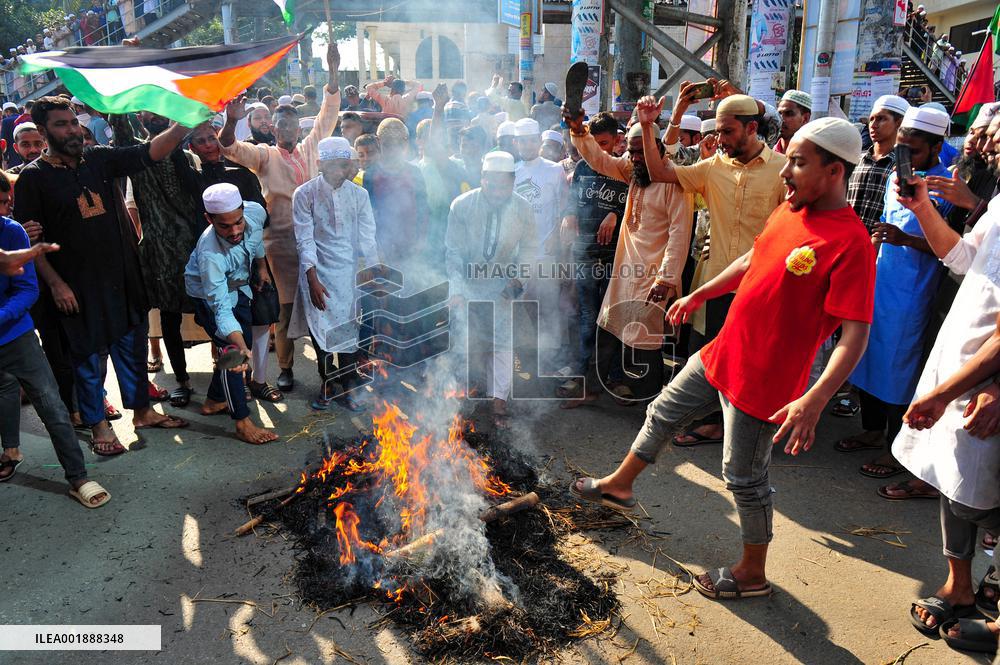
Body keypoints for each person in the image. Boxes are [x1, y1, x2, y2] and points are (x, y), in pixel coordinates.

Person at [571, 116, 876, 602]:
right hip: (722, 351)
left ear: (835, 171)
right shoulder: (791, 210)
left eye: (797, 163)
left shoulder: (851, 242)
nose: (785, 173)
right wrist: (699, 294)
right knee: (663, 411)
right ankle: (620, 485)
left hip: (765, 383)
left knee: (743, 476)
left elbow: (855, 334)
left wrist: (815, 400)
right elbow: (751, 260)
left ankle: (752, 572)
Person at [13, 96, 189, 456]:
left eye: (74, 123)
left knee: (132, 348)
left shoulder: (98, 160)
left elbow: (148, 153)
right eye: (62, 125)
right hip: (75, 286)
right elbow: (34, 242)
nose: (72, 130)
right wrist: (56, 284)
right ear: (45, 131)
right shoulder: (34, 179)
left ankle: (142, 412)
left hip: (122, 276)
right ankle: (99, 425)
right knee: (88, 358)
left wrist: (184, 124)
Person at [637, 86, 787, 448]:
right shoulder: (712, 168)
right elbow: (658, 171)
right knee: (710, 356)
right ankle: (711, 423)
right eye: (717, 131)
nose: (719, 138)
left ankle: (746, 431)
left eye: (727, 131)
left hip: (764, 286)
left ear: (752, 129)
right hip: (718, 283)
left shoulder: (783, 170)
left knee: (755, 361)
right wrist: (647, 127)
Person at [892, 171, 1000, 653]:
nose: (991, 141)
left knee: (983, 499)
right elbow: (963, 258)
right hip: (964, 365)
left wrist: (993, 385)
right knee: (951, 475)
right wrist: (922, 210)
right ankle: (959, 583)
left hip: (986, 380)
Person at [220, 41, 342, 394]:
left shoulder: (312, 147)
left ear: (299, 130)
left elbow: (328, 113)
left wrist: (333, 71)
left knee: (322, 305)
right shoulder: (264, 155)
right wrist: (231, 120)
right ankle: (286, 368)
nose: (287, 130)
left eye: (292, 125)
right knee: (286, 310)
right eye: (281, 125)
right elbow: (230, 147)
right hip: (283, 246)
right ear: (272, 129)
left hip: (318, 243)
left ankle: (325, 366)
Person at [847, 106, 954, 479]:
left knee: (898, 369)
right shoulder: (897, 175)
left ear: (937, 146)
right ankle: (872, 431)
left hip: (912, 295)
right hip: (880, 283)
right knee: (869, 359)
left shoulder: (946, 188)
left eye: (915, 151)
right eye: (902, 150)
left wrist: (907, 239)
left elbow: (954, 249)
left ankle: (898, 448)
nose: (905, 158)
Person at [563, 108, 692, 407]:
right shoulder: (633, 173)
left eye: (639, 151)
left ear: (656, 148)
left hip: (652, 276)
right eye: (631, 152)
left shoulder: (674, 183)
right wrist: (578, 129)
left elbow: (679, 236)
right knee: (606, 328)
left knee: (646, 342)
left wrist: (666, 278)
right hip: (624, 271)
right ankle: (593, 389)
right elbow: (598, 159)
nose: (633, 157)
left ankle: (654, 407)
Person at [0, 175, 110, 508]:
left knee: (52, 407)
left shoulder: (12, 231)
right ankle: (11, 450)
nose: (4, 210)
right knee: (4, 392)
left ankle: (78, 477)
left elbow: (28, 289)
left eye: (5, 203)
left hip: (15, 338)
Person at [110, 111, 201, 409]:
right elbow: (121, 129)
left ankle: (231, 379)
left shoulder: (186, 158)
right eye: (148, 110)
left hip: (194, 249)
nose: (155, 115)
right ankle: (182, 381)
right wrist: (121, 99)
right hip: (160, 254)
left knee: (214, 315)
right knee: (169, 318)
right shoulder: (139, 156)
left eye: (162, 110)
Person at [446, 151, 538, 428]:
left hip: (503, 288)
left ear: (512, 181)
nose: (498, 191)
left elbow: (531, 250)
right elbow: (453, 252)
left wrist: (518, 282)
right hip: (468, 287)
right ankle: (461, 403)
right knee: (466, 345)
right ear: (482, 178)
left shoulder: (523, 208)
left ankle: (499, 406)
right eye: (492, 184)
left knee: (501, 346)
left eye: (504, 185)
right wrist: (457, 290)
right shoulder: (462, 205)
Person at [289, 137, 379, 412]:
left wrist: (374, 272)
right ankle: (328, 383)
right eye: (334, 166)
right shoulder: (304, 194)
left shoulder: (359, 195)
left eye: (345, 165)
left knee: (348, 329)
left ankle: (349, 383)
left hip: (349, 272)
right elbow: (304, 239)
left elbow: (368, 237)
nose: (341, 172)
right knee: (322, 330)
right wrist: (312, 278)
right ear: (319, 165)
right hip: (316, 271)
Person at [185, 184, 278, 445]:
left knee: (238, 346)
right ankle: (242, 422)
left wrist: (261, 267)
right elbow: (222, 309)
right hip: (211, 296)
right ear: (209, 219)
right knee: (233, 353)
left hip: (240, 287)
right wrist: (239, 345)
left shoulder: (255, 211)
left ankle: (214, 401)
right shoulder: (210, 255)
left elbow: (256, 238)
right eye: (225, 227)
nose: (235, 231)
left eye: (239, 222)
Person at [512, 117, 569, 372]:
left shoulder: (554, 170)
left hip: (547, 253)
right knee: (521, 310)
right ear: (516, 143)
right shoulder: (510, 171)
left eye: (531, 140)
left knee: (549, 309)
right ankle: (527, 361)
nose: (527, 145)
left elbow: (564, 209)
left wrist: (556, 238)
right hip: (519, 257)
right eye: (522, 140)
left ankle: (553, 362)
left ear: (539, 141)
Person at [363, 118, 429, 274]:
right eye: (388, 144)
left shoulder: (414, 172)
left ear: (405, 143)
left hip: (411, 246)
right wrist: (377, 250)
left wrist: (421, 241)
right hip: (383, 249)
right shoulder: (370, 175)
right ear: (378, 142)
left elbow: (423, 209)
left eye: (398, 144)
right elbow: (369, 216)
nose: (393, 149)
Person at [847, 95, 909, 234]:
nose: (873, 125)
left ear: (899, 123)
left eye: (881, 119)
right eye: (872, 119)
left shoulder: (903, 166)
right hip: (847, 243)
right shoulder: (856, 160)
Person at [774, 90, 812, 155]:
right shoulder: (767, 152)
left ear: (805, 118)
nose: (780, 119)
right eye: (779, 114)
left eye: (788, 114)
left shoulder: (811, 155)